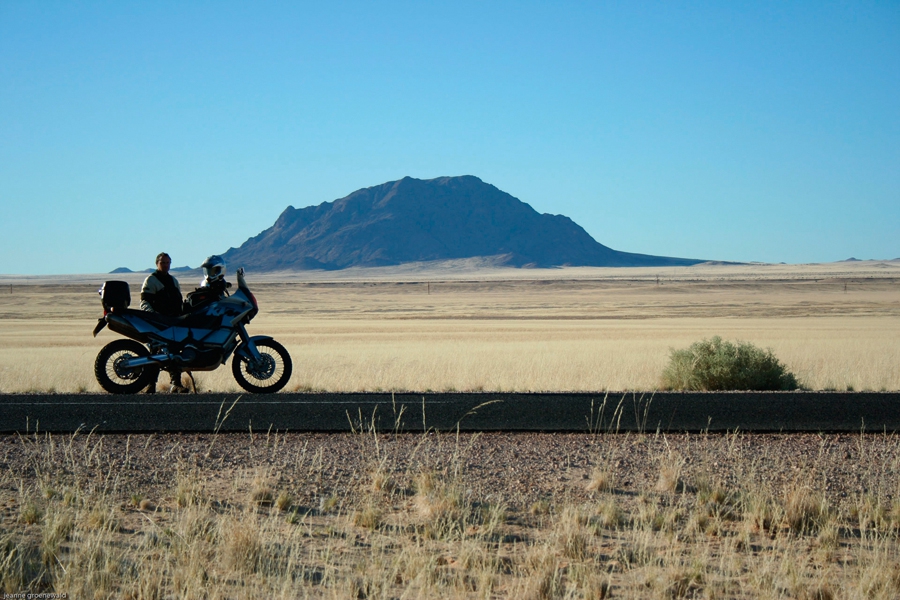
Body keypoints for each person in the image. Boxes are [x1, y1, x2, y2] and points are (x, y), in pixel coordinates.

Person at [140, 252, 188, 393]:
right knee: (155, 352)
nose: (166, 265)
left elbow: (179, 301)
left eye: (168, 263)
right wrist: (154, 316)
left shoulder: (173, 281)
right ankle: (150, 384)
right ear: (157, 264)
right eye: (163, 263)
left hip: (173, 322)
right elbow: (144, 302)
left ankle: (175, 384)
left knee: (174, 351)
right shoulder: (151, 280)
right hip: (158, 323)